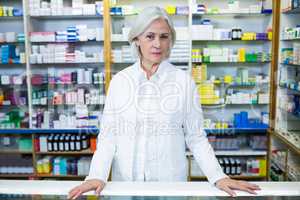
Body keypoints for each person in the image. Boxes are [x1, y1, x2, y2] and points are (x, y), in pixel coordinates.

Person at [68, 6, 260, 200]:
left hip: (170, 185)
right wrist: (96, 175)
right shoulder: (120, 81)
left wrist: (218, 177)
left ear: (171, 41)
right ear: (137, 40)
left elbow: (196, 137)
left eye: (164, 36)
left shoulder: (184, 82)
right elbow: (108, 136)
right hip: (125, 185)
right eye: (150, 36)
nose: (157, 44)